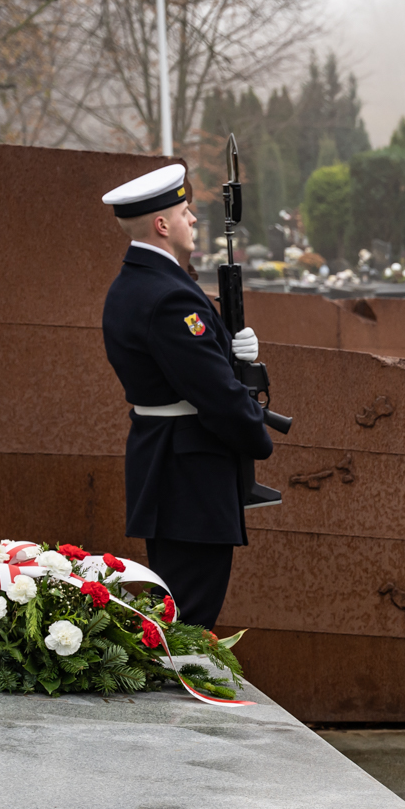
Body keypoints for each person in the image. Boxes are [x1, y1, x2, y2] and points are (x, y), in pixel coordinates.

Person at [100, 163, 273, 628]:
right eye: (184, 212)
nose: (193, 219)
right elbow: (213, 391)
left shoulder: (139, 284)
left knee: (177, 614)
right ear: (162, 225)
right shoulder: (168, 296)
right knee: (187, 623)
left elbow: (190, 366)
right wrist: (257, 434)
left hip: (170, 466)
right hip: (189, 475)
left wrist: (229, 346)